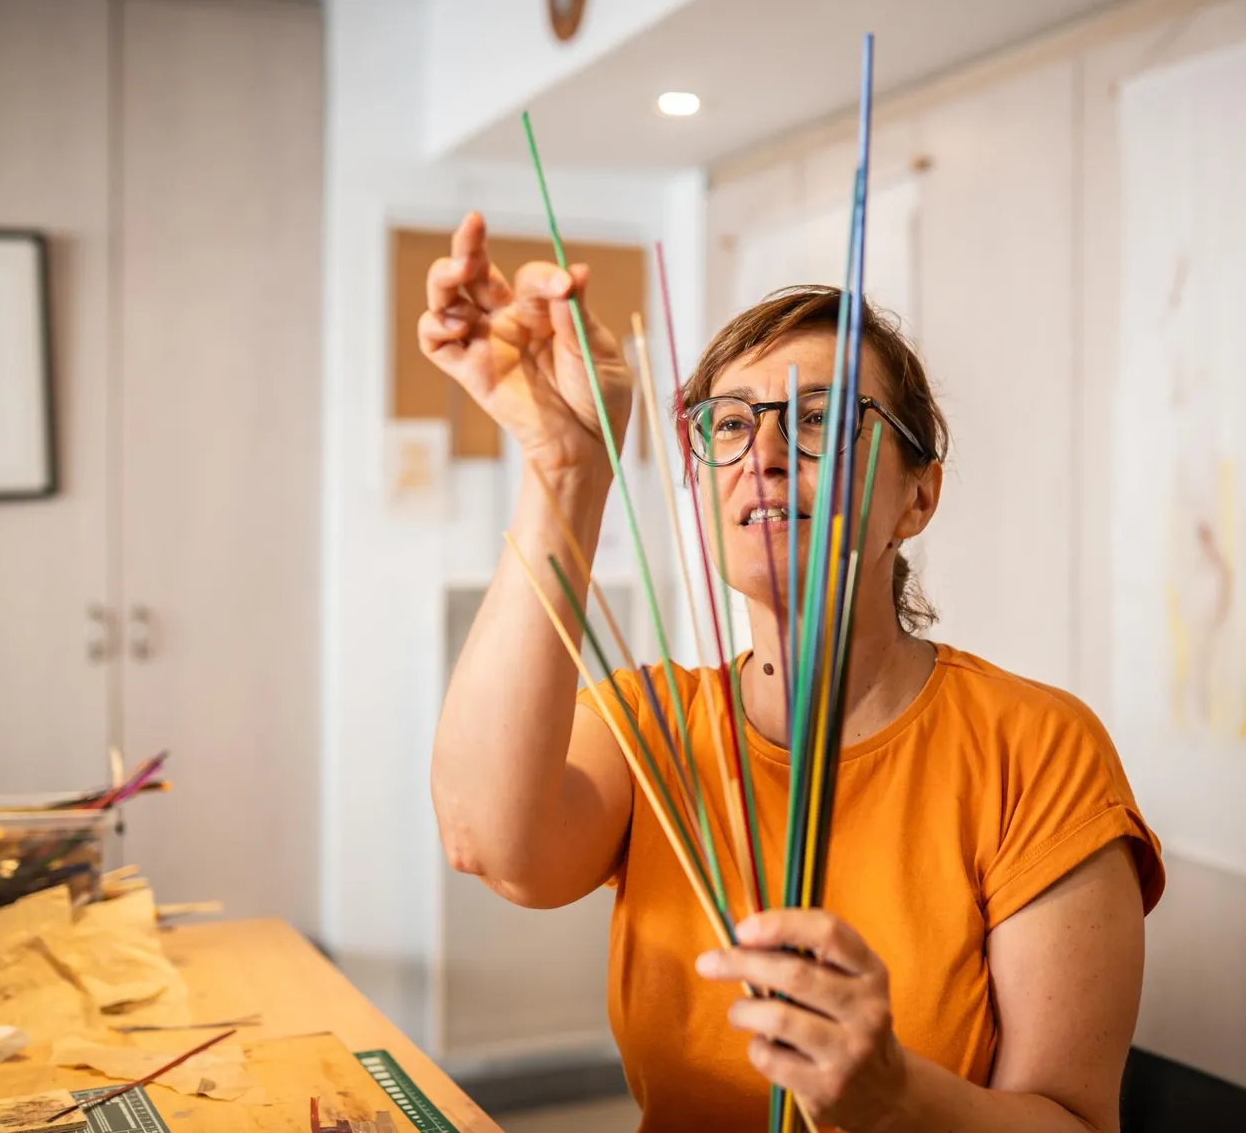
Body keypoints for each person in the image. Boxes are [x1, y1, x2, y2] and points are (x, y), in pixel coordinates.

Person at [424, 212, 1165, 1133]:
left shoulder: (1037, 748)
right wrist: (566, 466)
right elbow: (489, 844)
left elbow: (1076, 1124)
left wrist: (893, 1094)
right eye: (729, 424)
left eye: (821, 419)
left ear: (916, 497)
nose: (764, 456)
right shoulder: (653, 725)